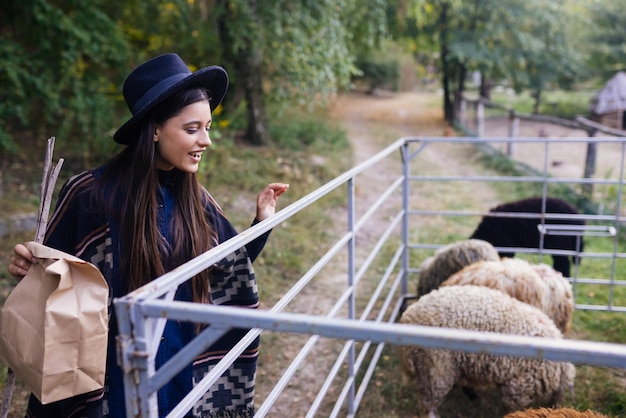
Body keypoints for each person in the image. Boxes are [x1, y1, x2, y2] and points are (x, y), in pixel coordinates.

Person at [8, 53, 289, 418]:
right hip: (110, 378)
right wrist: (28, 266)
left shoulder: (196, 200)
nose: (206, 140)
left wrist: (261, 223)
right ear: (154, 129)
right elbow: (54, 279)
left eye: (208, 128)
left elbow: (224, 268)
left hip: (178, 367)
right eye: (192, 129)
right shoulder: (91, 195)